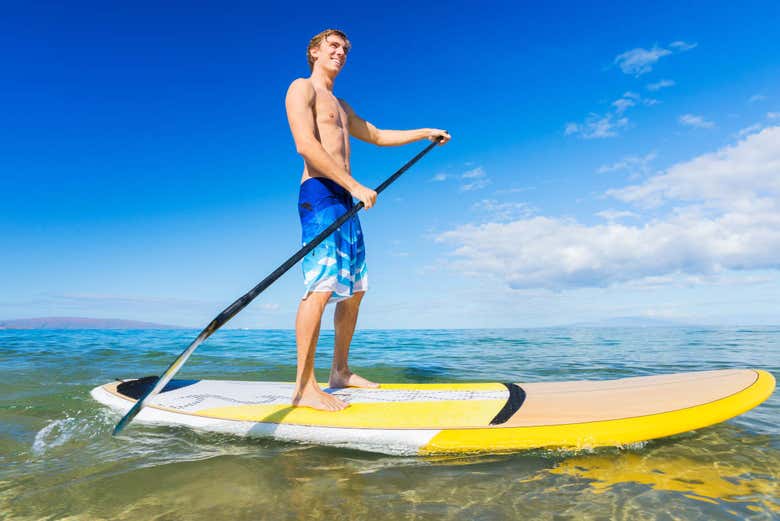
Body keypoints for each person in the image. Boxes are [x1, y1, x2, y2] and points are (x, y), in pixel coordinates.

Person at [285, 29, 450, 411]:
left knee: (356, 289)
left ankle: (339, 372)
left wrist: (424, 132)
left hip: (345, 198)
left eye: (345, 49)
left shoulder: (341, 105)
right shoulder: (301, 89)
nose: (340, 52)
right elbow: (305, 144)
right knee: (321, 287)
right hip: (321, 194)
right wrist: (354, 184)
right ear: (314, 51)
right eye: (333, 46)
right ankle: (303, 388)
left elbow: (375, 134)